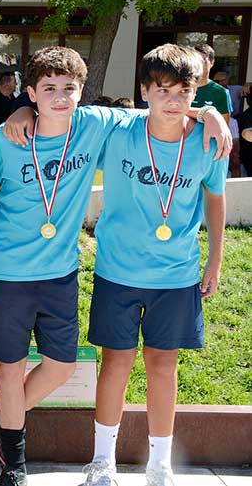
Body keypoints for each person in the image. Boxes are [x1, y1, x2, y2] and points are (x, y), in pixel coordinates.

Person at [0, 46, 232, 486]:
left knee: (122, 366)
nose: (60, 96)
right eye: (49, 90)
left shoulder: (130, 130)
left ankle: (157, 464)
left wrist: (207, 110)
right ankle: (57, 464)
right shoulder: (44, 134)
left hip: (135, 273)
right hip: (60, 270)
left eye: (69, 89)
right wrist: (18, 110)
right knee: (69, 364)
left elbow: (169, 111)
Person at [80, 44, 227, 486]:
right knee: (116, 363)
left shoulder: (207, 143)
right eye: (161, 89)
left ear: (195, 91)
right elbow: (64, 110)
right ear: (144, 91)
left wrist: (215, 261)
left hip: (176, 275)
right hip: (117, 272)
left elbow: (215, 204)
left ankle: (159, 463)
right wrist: (19, 115)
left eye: (183, 91)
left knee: (164, 366)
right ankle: (102, 461)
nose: (172, 99)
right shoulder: (120, 130)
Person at [192, 44, 232, 125]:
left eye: (202, 60)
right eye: (195, 60)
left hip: (207, 137)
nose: (198, 65)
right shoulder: (182, 88)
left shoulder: (221, 92)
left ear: (212, 62)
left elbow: (224, 127)